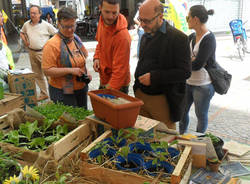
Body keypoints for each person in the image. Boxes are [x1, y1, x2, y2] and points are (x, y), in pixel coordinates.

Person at [133, 0, 191, 130]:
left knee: (165, 141)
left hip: (163, 100)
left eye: (146, 21)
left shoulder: (178, 38)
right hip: (141, 95)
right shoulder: (145, 35)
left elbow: (185, 72)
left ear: (160, 17)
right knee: (143, 136)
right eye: (140, 20)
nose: (142, 25)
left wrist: (154, 77)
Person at [42, 7, 91, 109]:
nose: (70, 30)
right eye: (66, 26)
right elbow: (47, 70)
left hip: (81, 88)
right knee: (70, 122)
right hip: (62, 92)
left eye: (73, 26)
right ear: (58, 24)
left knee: (82, 119)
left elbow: (83, 59)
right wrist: (70, 70)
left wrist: (87, 72)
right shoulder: (52, 44)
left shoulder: (76, 39)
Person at [179, 5, 216, 134]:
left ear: (195, 19)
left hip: (203, 85)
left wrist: (189, 62)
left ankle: (198, 142)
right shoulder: (191, 37)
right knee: (182, 113)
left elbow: (198, 65)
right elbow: (183, 59)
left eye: (187, 17)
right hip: (188, 83)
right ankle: (181, 137)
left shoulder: (209, 38)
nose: (186, 20)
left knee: (201, 115)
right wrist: (190, 61)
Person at [93, 0, 131, 94]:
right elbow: (100, 43)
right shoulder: (102, 21)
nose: (110, 17)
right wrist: (96, 57)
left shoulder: (123, 36)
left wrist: (107, 91)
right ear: (100, 8)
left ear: (119, 10)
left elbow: (120, 72)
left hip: (118, 84)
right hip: (104, 79)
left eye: (114, 13)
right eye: (107, 12)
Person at [20, 5, 57, 101]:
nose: (32, 15)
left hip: (43, 53)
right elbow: (22, 32)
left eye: (34, 13)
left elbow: (57, 34)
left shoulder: (46, 25)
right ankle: (44, 93)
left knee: (48, 74)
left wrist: (51, 46)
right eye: (31, 13)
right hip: (31, 52)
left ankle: (54, 95)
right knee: (37, 75)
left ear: (40, 14)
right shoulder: (26, 24)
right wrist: (25, 41)